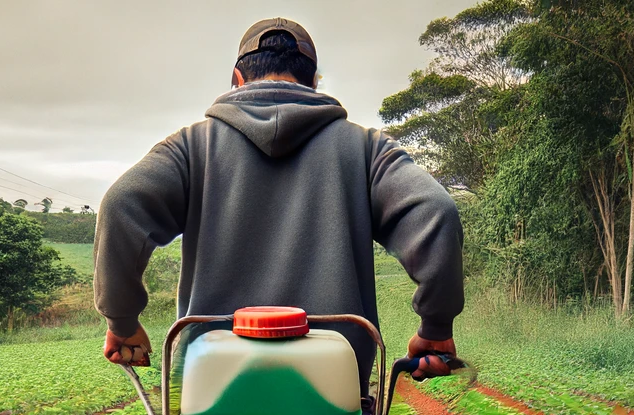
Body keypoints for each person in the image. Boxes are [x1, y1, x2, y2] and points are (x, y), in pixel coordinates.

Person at [94, 17, 462, 385]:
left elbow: (120, 205)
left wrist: (122, 322)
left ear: (237, 78)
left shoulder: (190, 148)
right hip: (333, 383)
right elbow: (435, 211)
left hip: (212, 381)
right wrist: (435, 325)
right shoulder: (367, 150)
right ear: (314, 81)